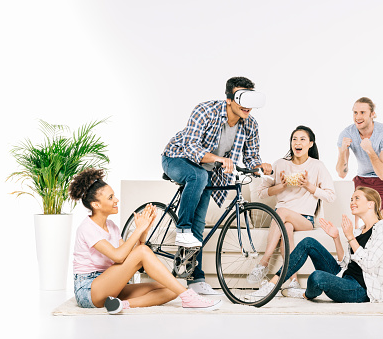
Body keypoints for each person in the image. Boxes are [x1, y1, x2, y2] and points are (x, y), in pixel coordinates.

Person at [161, 76, 272, 295]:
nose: (248, 105)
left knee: (199, 224)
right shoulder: (205, 111)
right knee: (199, 177)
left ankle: (196, 279)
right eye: (242, 98)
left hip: (205, 171)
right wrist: (219, 160)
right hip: (176, 158)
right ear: (230, 99)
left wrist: (261, 166)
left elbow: (250, 158)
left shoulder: (250, 124)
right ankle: (182, 229)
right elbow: (191, 147)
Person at [69, 168, 221, 314]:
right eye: (110, 198)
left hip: (111, 283)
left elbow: (133, 257)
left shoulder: (111, 226)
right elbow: (119, 256)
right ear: (96, 205)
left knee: (171, 288)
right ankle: (189, 298)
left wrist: (144, 230)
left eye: (114, 195)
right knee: (149, 259)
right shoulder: (87, 228)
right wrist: (138, 229)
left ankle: (120, 305)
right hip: (89, 290)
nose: (116, 199)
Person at [255, 186, 383, 303]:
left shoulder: (382, 230)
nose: (352, 202)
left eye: (357, 198)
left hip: (361, 289)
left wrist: (350, 237)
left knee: (317, 277)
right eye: (351, 199)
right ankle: (272, 285)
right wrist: (336, 237)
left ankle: (305, 294)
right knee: (308, 242)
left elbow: (369, 265)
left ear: (371, 204)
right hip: (345, 278)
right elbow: (344, 264)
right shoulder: (359, 231)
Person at [246, 125, 336, 297]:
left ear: (310, 144)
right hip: (283, 219)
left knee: (281, 212)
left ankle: (263, 263)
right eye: (294, 139)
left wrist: (309, 186)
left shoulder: (317, 166)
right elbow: (262, 192)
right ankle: (293, 281)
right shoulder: (280, 164)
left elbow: (331, 196)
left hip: (305, 220)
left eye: (302, 139)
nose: (297, 142)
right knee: (286, 227)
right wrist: (281, 186)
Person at [336, 97, 383, 280]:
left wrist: (370, 150)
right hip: (364, 178)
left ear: (373, 114)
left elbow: (382, 173)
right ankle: (359, 267)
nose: (358, 117)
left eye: (362, 112)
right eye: (355, 112)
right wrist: (343, 152)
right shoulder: (347, 133)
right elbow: (342, 173)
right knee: (357, 222)